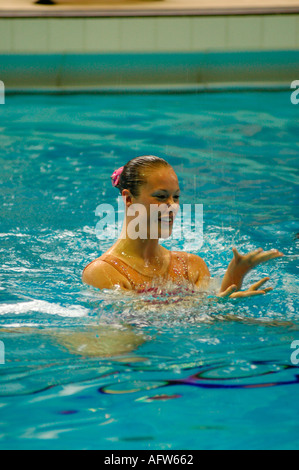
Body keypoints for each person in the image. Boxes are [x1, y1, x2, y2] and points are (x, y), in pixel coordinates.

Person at [82, 156, 283, 298]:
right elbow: (132, 330)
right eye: (161, 197)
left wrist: (235, 276)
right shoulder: (103, 273)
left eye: (176, 197)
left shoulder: (192, 267)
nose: (173, 206)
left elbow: (208, 322)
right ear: (128, 199)